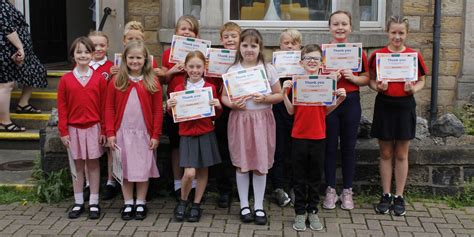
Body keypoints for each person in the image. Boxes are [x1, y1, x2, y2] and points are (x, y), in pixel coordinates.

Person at [221, 29, 283, 225]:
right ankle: (243, 205)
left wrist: (266, 98)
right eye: (245, 45)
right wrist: (231, 104)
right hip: (240, 120)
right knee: (242, 163)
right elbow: (223, 96)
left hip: (262, 120)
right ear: (239, 47)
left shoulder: (268, 69)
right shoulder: (232, 70)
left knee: (260, 164)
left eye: (253, 46)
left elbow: (279, 95)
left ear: (260, 48)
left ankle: (258, 205)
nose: (249, 49)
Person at [282, 44, 346, 231]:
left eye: (316, 58)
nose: (312, 61)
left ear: (321, 63)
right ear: (301, 62)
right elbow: (291, 110)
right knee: (299, 177)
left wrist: (340, 99)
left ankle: (313, 211)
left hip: (318, 136)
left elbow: (325, 111)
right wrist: (284, 93)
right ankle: (300, 213)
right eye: (308, 58)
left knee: (315, 177)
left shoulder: (326, 83)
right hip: (299, 136)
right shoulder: (296, 82)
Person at [369, 16, 427, 216]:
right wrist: (378, 87)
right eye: (393, 32)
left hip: (405, 106)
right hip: (384, 104)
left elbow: (421, 80)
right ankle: (385, 194)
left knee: (402, 153)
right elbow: (371, 80)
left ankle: (399, 195)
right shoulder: (378, 55)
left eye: (401, 33)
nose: (397, 36)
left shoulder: (413, 55)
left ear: (407, 34)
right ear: (387, 32)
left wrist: (413, 90)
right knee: (385, 153)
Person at [106, 41, 163, 221]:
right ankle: (128, 202)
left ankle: (141, 202)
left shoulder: (152, 81)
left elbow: (157, 111)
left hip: (143, 133)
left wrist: (155, 134)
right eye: (131, 57)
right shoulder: (117, 80)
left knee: (142, 169)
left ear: (145, 59)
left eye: (139, 57)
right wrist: (110, 132)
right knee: (126, 168)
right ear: (125, 59)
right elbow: (109, 108)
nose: (135, 61)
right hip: (123, 132)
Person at [323, 10, 369, 210]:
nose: (340, 28)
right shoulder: (322, 52)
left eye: (344, 24)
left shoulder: (358, 52)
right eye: (336, 24)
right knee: (330, 147)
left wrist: (353, 78)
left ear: (350, 27)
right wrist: (329, 77)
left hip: (351, 100)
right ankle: (330, 189)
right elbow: (313, 80)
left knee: (349, 147)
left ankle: (348, 190)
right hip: (330, 101)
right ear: (329, 27)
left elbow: (367, 78)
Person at [168, 51, 222, 222]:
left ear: (204, 68)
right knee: (189, 173)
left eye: (198, 67)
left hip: (206, 133)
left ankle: (197, 204)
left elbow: (214, 116)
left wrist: (218, 106)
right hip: (188, 134)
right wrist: (170, 107)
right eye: (191, 66)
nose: (195, 70)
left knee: (203, 171)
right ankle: (183, 201)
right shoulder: (179, 89)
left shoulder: (210, 88)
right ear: (185, 67)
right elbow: (175, 115)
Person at [57, 37, 107, 220]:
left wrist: (104, 130)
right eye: (79, 52)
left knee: (93, 165)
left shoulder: (99, 79)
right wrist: (63, 131)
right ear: (73, 56)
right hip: (73, 129)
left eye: (87, 52)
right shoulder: (66, 80)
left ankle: (94, 201)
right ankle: (78, 201)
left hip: (94, 128)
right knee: (77, 166)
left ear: (93, 55)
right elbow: (62, 107)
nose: (83, 55)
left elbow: (104, 106)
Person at [162, 15, 200, 200]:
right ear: (176, 32)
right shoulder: (169, 53)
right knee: (176, 146)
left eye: (190, 29)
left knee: (194, 144)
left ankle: (192, 183)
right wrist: (172, 70)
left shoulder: (201, 54)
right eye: (182, 29)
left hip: (196, 107)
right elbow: (163, 79)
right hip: (176, 107)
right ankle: (178, 183)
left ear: (196, 34)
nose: (186, 32)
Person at [206, 21, 241, 208]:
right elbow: (208, 84)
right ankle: (225, 190)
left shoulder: (246, 57)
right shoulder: (215, 58)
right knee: (223, 150)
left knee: (242, 149)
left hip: (242, 108)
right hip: (221, 110)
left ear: (239, 38)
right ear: (221, 39)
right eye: (226, 36)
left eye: (233, 36)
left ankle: (244, 189)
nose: (230, 39)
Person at [0, 0, 47, 132]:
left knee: (36, 70)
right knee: (6, 85)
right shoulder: (1, 5)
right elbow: (7, 28)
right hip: (7, 50)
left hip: (20, 51)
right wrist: (19, 47)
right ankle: (4, 122)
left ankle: (23, 104)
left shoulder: (6, 3)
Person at [270, 28, 302, 207]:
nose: (290, 46)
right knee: (279, 150)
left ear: (300, 46)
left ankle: (295, 187)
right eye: (286, 43)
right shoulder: (273, 66)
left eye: (294, 43)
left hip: (300, 113)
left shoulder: (305, 65)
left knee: (296, 151)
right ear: (280, 46)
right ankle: (278, 188)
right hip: (279, 111)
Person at [87, 31, 118, 201]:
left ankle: (111, 182)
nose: (98, 49)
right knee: (88, 151)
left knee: (109, 149)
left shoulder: (113, 66)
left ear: (107, 46)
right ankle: (88, 184)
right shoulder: (83, 65)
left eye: (102, 45)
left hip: (106, 113)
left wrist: (116, 74)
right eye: (94, 45)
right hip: (89, 113)